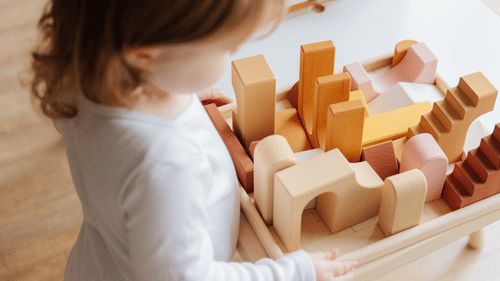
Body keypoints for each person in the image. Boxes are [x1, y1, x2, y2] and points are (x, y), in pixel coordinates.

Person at [30, 0, 357, 280]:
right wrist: (294, 271)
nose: (236, 49)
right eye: (225, 46)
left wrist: (173, 87)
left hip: (102, 262)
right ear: (145, 55)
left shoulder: (85, 76)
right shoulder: (164, 161)